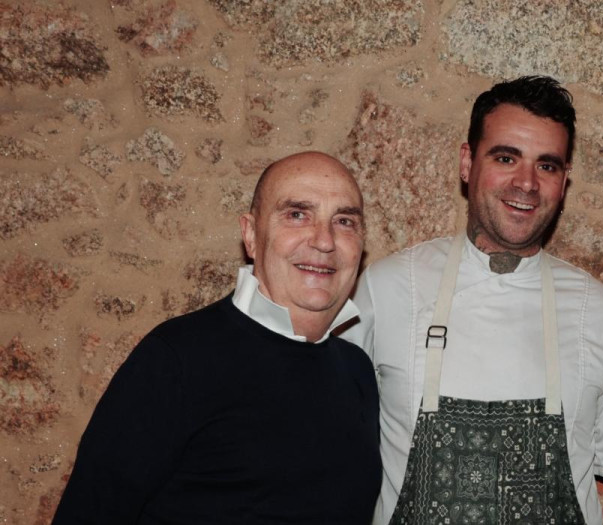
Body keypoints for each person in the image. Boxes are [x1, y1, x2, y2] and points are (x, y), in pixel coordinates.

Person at [344, 76, 603, 525]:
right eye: (505, 157)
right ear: (466, 163)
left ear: (564, 181)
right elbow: (320, 441)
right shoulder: (387, 288)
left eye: (547, 166)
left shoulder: (597, 311)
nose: (527, 183)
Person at [54, 152, 381, 524]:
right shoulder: (175, 360)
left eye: (344, 221)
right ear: (250, 235)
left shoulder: (356, 370)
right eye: (297, 214)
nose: (324, 240)